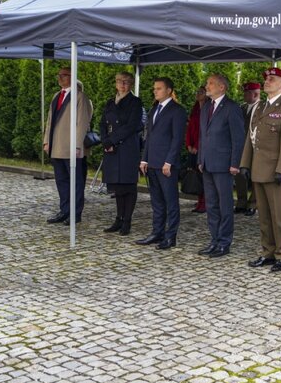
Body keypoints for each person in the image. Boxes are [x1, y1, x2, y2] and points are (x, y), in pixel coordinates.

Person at [241, 67, 281, 272]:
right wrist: (245, 163)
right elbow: (251, 136)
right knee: (263, 216)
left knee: (278, 217)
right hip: (258, 169)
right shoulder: (260, 106)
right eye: (267, 79)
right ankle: (268, 252)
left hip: (276, 171)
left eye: (272, 79)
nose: (267, 82)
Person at [136, 77, 188, 249]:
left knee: (171, 202)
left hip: (166, 165)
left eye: (158, 88)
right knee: (157, 202)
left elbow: (177, 139)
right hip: (152, 163)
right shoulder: (153, 110)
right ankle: (157, 232)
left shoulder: (177, 110)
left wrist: (169, 162)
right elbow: (149, 137)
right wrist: (144, 158)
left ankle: (170, 236)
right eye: (154, 88)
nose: (155, 91)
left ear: (168, 90)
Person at [197, 73, 245, 259]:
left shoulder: (231, 108)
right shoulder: (206, 106)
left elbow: (238, 138)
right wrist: (200, 159)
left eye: (210, 84)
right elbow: (203, 135)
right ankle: (214, 239)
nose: (207, 86)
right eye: (207, 83)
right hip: (208, 163)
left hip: (224, 165)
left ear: (222, 87)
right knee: (211, 204)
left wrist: (235, 163)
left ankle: (224, 242)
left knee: (225, 205)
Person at [44, 67, 94, 225]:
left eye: (63, 75)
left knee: (76, 182)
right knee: (61, 181)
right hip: (56, 145)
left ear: (72, 77)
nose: (60, 78)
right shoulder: (57, 96)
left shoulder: (80, 97)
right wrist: (46, 141)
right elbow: (50, 120)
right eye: (59, 75)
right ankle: (64, 210)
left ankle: (75, 213)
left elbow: (83, 123)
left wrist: (78, 145)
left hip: (72, 147)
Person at [100, 72, 144, 236]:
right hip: (111, 149)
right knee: (117, 187)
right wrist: (105, 141)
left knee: (128, 185)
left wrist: (113, 141)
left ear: (131, 84)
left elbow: (132, 126)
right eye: (119, 81)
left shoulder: (135, 102)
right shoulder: (110, 102)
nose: (122, 85)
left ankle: (127, 220)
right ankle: (118, 218)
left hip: (126, 148)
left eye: (126, 82)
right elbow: (102, 123)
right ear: (116, 83)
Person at [235, 82, 261, 216]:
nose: (244, 95)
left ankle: (253, 203)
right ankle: (241, 202)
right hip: (242, 146)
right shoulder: (242, 107)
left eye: (247, 93)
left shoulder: (262, 107)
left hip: (256, 147)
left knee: (256, 176)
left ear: (256, 94)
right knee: (240, 175)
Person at [185, 86, 207, 213]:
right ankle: (199, 201)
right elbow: (190, 129)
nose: (198, 94)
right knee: (196, 176)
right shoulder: (195, 109)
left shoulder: (208, 108)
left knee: (203, 177)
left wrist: (198, 147)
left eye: (201, 92)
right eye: (197, 92)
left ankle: (205, 202)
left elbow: (204, 132)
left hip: (202, 148)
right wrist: (189, 145)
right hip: (192, 147)